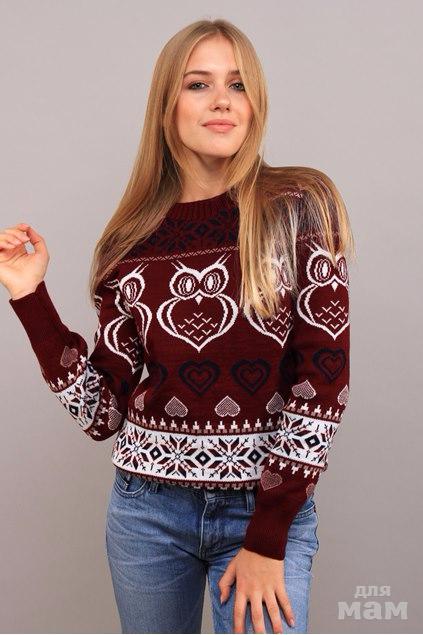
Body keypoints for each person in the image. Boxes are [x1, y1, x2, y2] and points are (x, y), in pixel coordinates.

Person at [1, 18, 354, 635]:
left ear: (255, 103)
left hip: (262, 510)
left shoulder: (300, 206)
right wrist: (30, 297)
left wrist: (267, 535)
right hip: (146, 513)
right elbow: (101, 414)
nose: (222, 100)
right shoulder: (130, 243)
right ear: (167, 105)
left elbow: (322, 383)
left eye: (238, 84)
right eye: (198, 83)